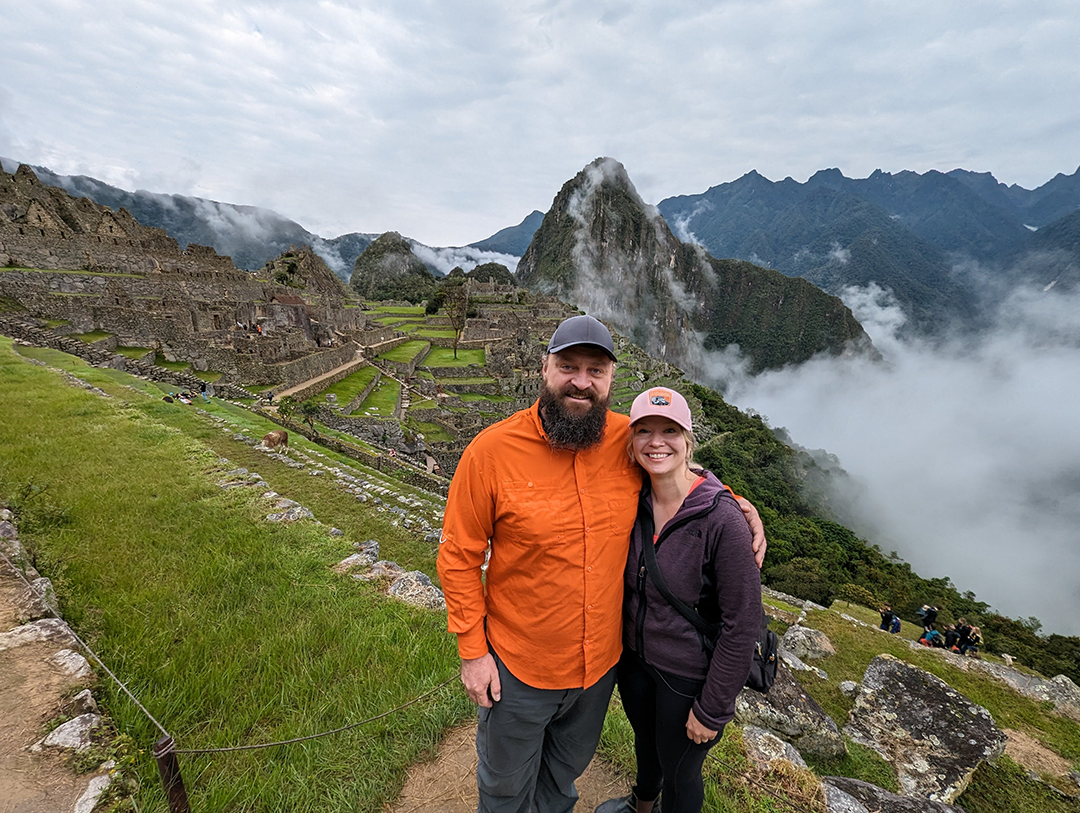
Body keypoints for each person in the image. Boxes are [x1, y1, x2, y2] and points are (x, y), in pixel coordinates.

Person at [437, 315, 766, 813]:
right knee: (504, 786)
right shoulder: (490, 453)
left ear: (611, 380)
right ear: (544, 368)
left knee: (563, 776)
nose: (581, 382)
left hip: (599, 670)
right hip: (520, 666)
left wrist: (738, 504)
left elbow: (680, 470)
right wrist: (472, 651)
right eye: (568, 366)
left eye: (596, 370)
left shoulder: (624, 440)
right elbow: (459, 555)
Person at [597, 387, 762, 813]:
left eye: (670, 431)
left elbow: (742, 623)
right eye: (644, 431)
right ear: (631, 442)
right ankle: (642, 804)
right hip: (636, 661)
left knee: (682, 772)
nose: (656, 442)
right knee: (647, 744)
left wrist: (712, 709)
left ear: (688, 439)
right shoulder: (633, 497)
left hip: (688, 677)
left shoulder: (722, 520)